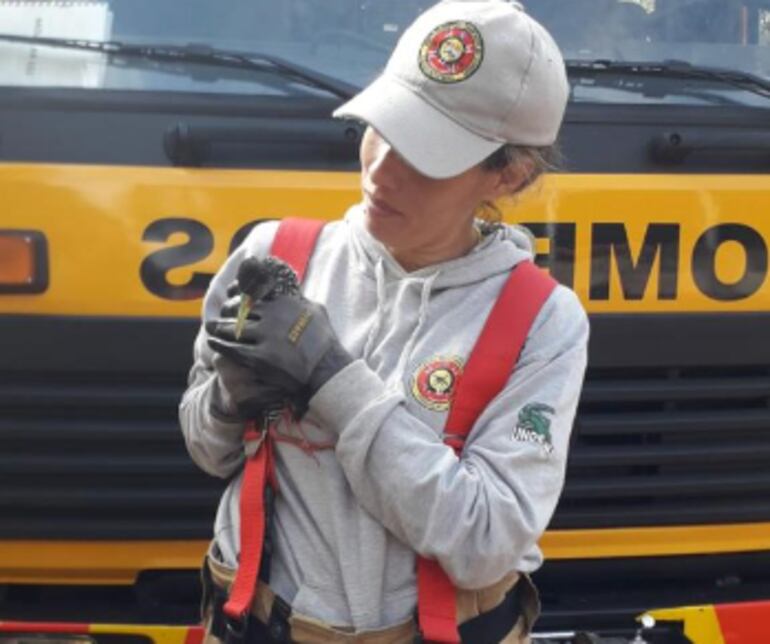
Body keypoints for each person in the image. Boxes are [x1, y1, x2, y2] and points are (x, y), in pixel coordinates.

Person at [180, 0, 589, 642]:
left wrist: (333, 381)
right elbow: (207, 450)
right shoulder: (271, 255)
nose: (380, 170)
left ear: (509, 175)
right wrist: (228, 399)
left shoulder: (542, 322)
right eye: (382, 128)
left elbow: (485, 541)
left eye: (426, 154)